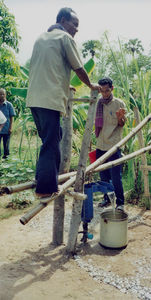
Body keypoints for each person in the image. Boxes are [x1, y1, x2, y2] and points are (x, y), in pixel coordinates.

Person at [26, 7, 99, 198]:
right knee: (51, 143)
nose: (76, 29)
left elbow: (48, 70)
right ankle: (45, 188)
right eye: (74, 24)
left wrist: (66, 87)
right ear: (63, 20)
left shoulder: (41, 38)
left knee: (51, 138)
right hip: (49, 101)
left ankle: (41, 179)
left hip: (34, 99)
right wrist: (91, 85)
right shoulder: (65, 38)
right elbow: (79, 68)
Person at [95, 77, 126, 211]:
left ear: (112, 89)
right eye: (102, 91)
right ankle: (106, 199)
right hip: (100, 145)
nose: (105, 94)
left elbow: (122, 124)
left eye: (107, 91)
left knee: (115, 176)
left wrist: (120, 118)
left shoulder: (118, 103)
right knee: (103, 175)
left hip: (114, 146)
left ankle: (120, 203)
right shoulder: (98, 104)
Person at [0, 88, 15, 159]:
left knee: (6, 145)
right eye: (0, 94)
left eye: (3, 94)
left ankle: (6, 159)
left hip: (6, 128)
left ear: (5, 95)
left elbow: (12, 117)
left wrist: (11, 127)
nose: (2, 96)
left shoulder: (9, 105)